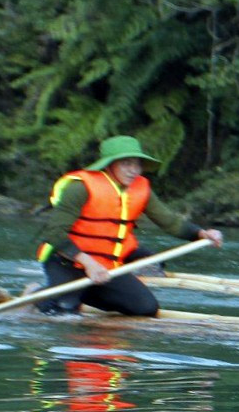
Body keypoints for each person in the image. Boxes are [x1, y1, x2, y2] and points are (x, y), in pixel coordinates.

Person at [32, 135, 224, 316]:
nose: (134, 170)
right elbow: (54, 233)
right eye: (126, 164)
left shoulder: (141, 188)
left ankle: (79, 291)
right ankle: (40, 295)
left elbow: (169, 221)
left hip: (107, 267)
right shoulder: (80, 187)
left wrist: (201, 233)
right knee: (62, 310)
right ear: (110, 165)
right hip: (67, 260)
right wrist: (89, 264)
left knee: (145, 307)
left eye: (137, 164)